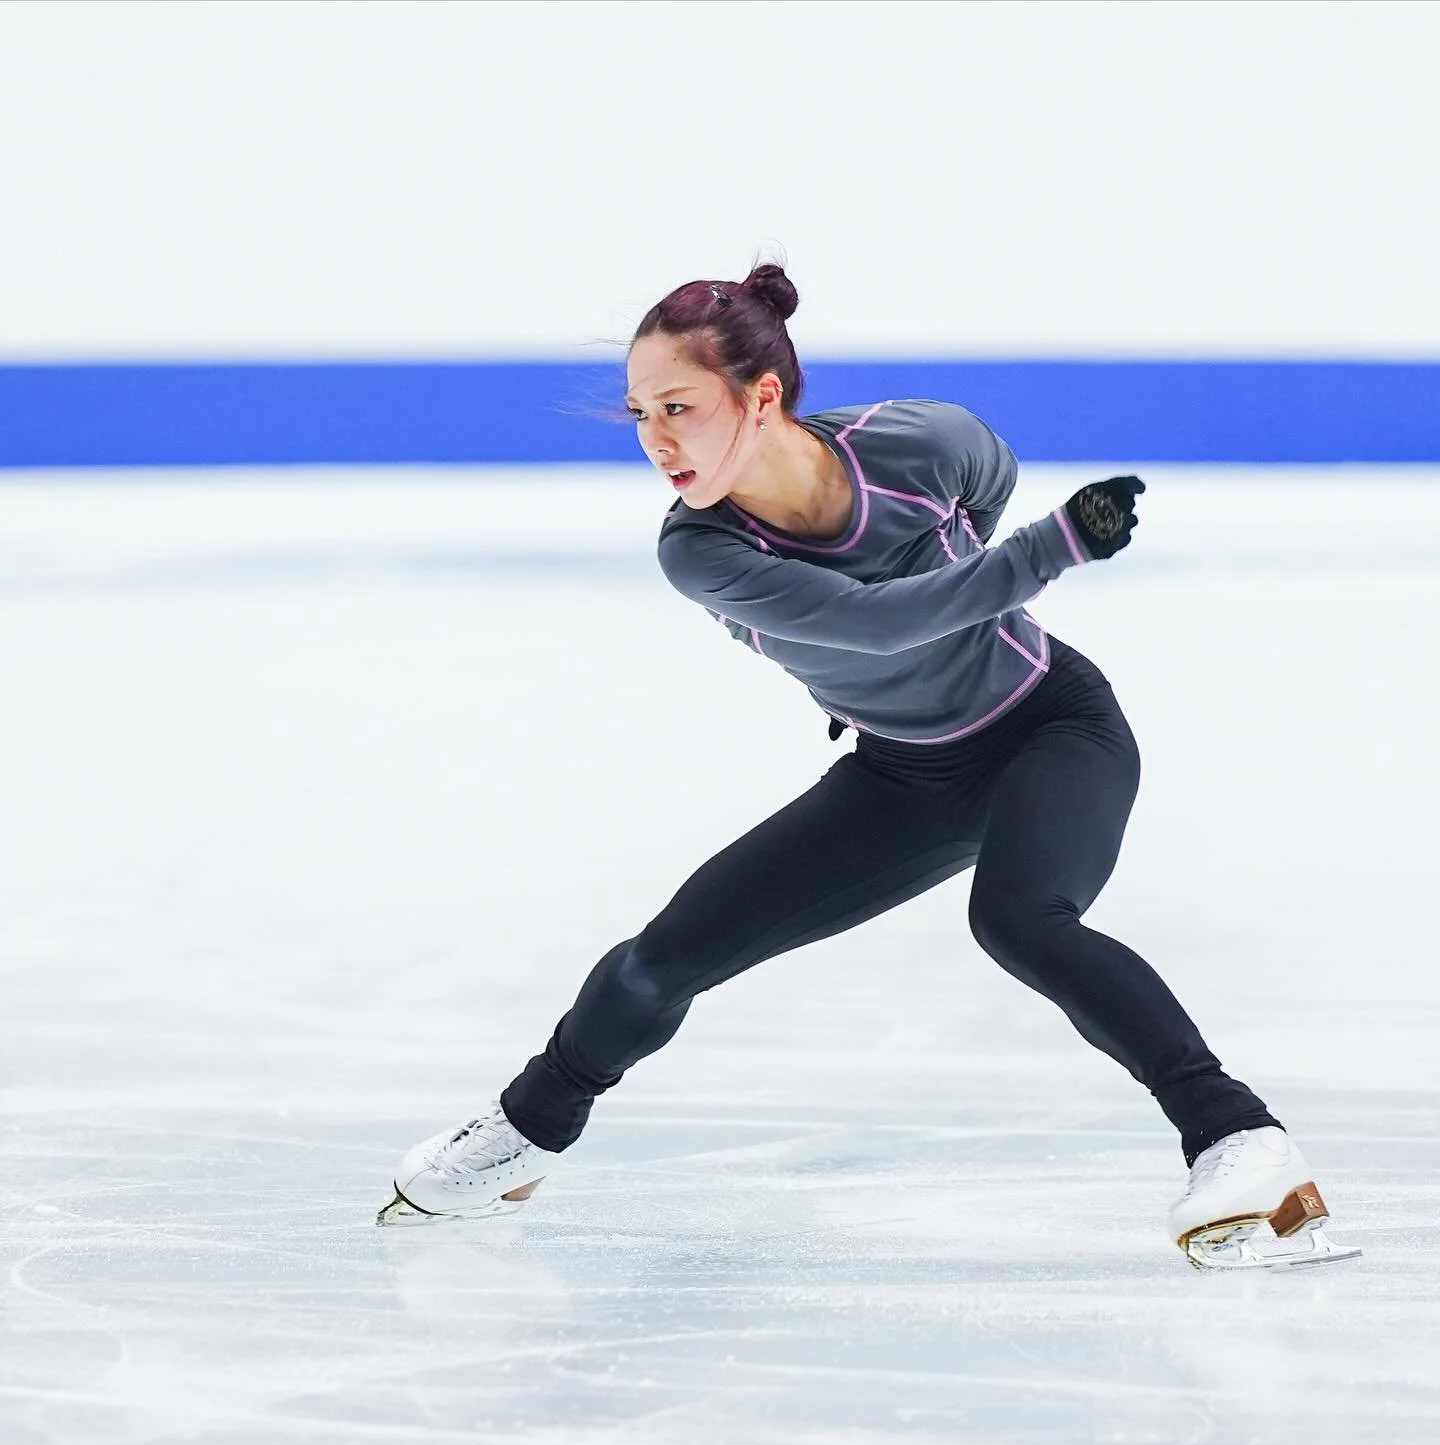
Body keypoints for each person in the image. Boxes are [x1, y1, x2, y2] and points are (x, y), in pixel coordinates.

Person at [378, 264, 1358, 1271]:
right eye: (640, 414)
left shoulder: (916, 441)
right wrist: (1047, 549)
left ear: (761, 398)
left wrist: (992, 556)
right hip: (905, 779)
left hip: (1050, 726)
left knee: (1019, 919)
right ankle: (523, 1135)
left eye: (679, 407)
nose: (658, 441)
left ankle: (1240, 1142)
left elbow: (986, 475)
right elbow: (875, 626)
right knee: (659, 961)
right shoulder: (700, 550)